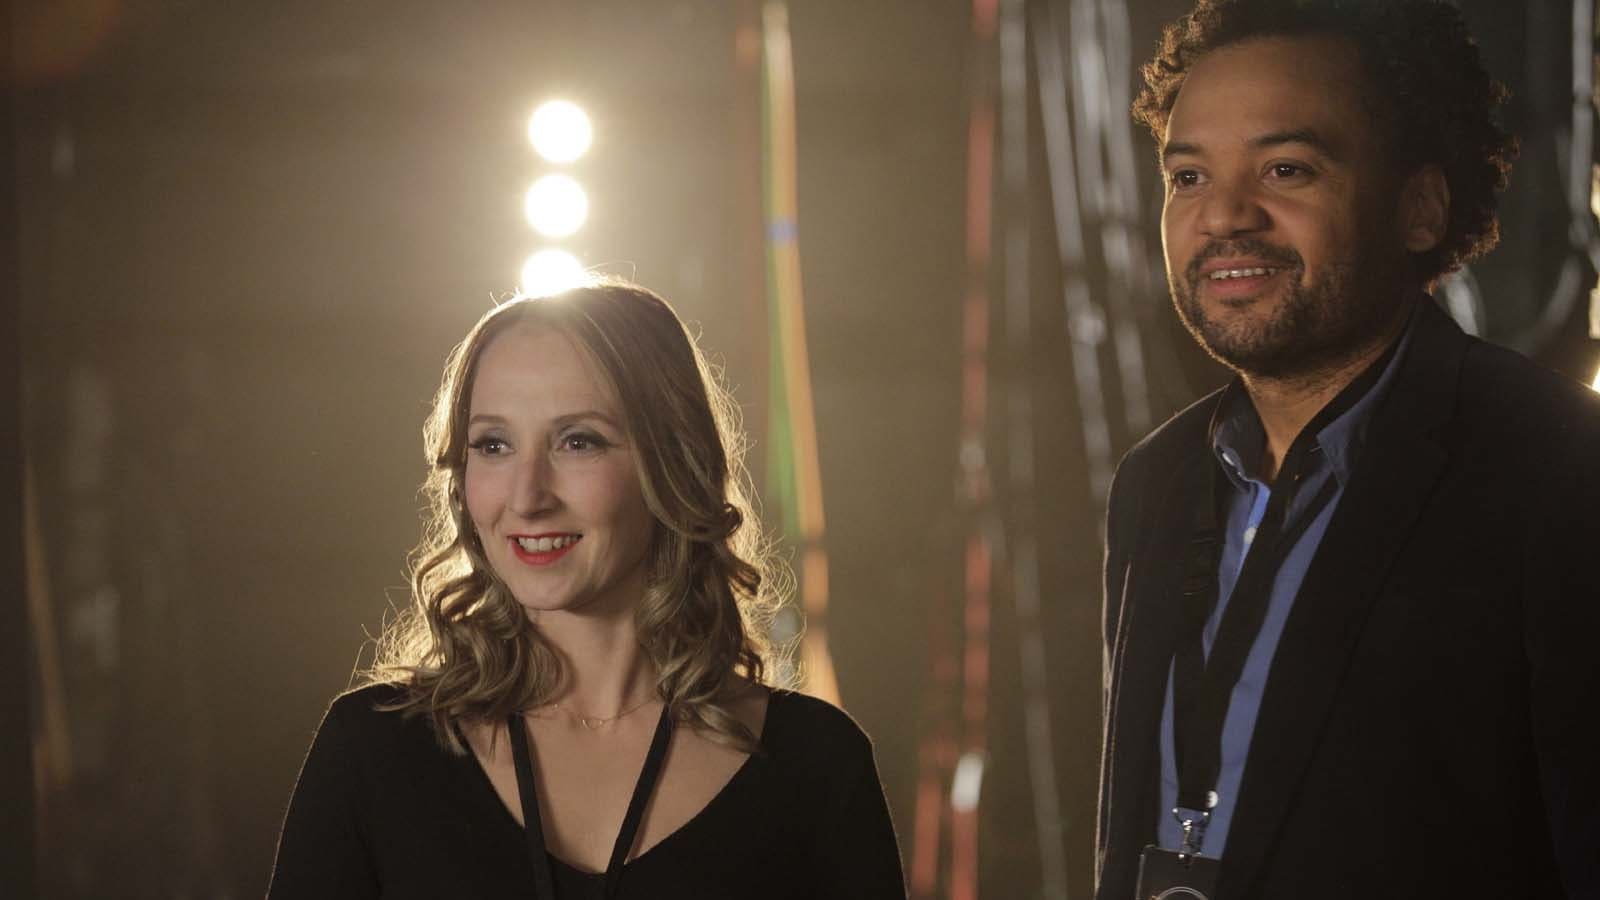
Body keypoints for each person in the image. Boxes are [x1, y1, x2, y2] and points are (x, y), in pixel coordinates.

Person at [1097, 1, 1600, 897]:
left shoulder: (1557, 470)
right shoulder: (1156, 480)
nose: (1224, 216)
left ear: (1420, 206)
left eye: (1286, 168)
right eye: (1188, 177)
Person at [268, 280, 907, 898]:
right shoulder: (371, 753)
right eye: (493, 444)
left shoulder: (817, 766)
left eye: (578, 442)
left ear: (673, 462)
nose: (527, 496)